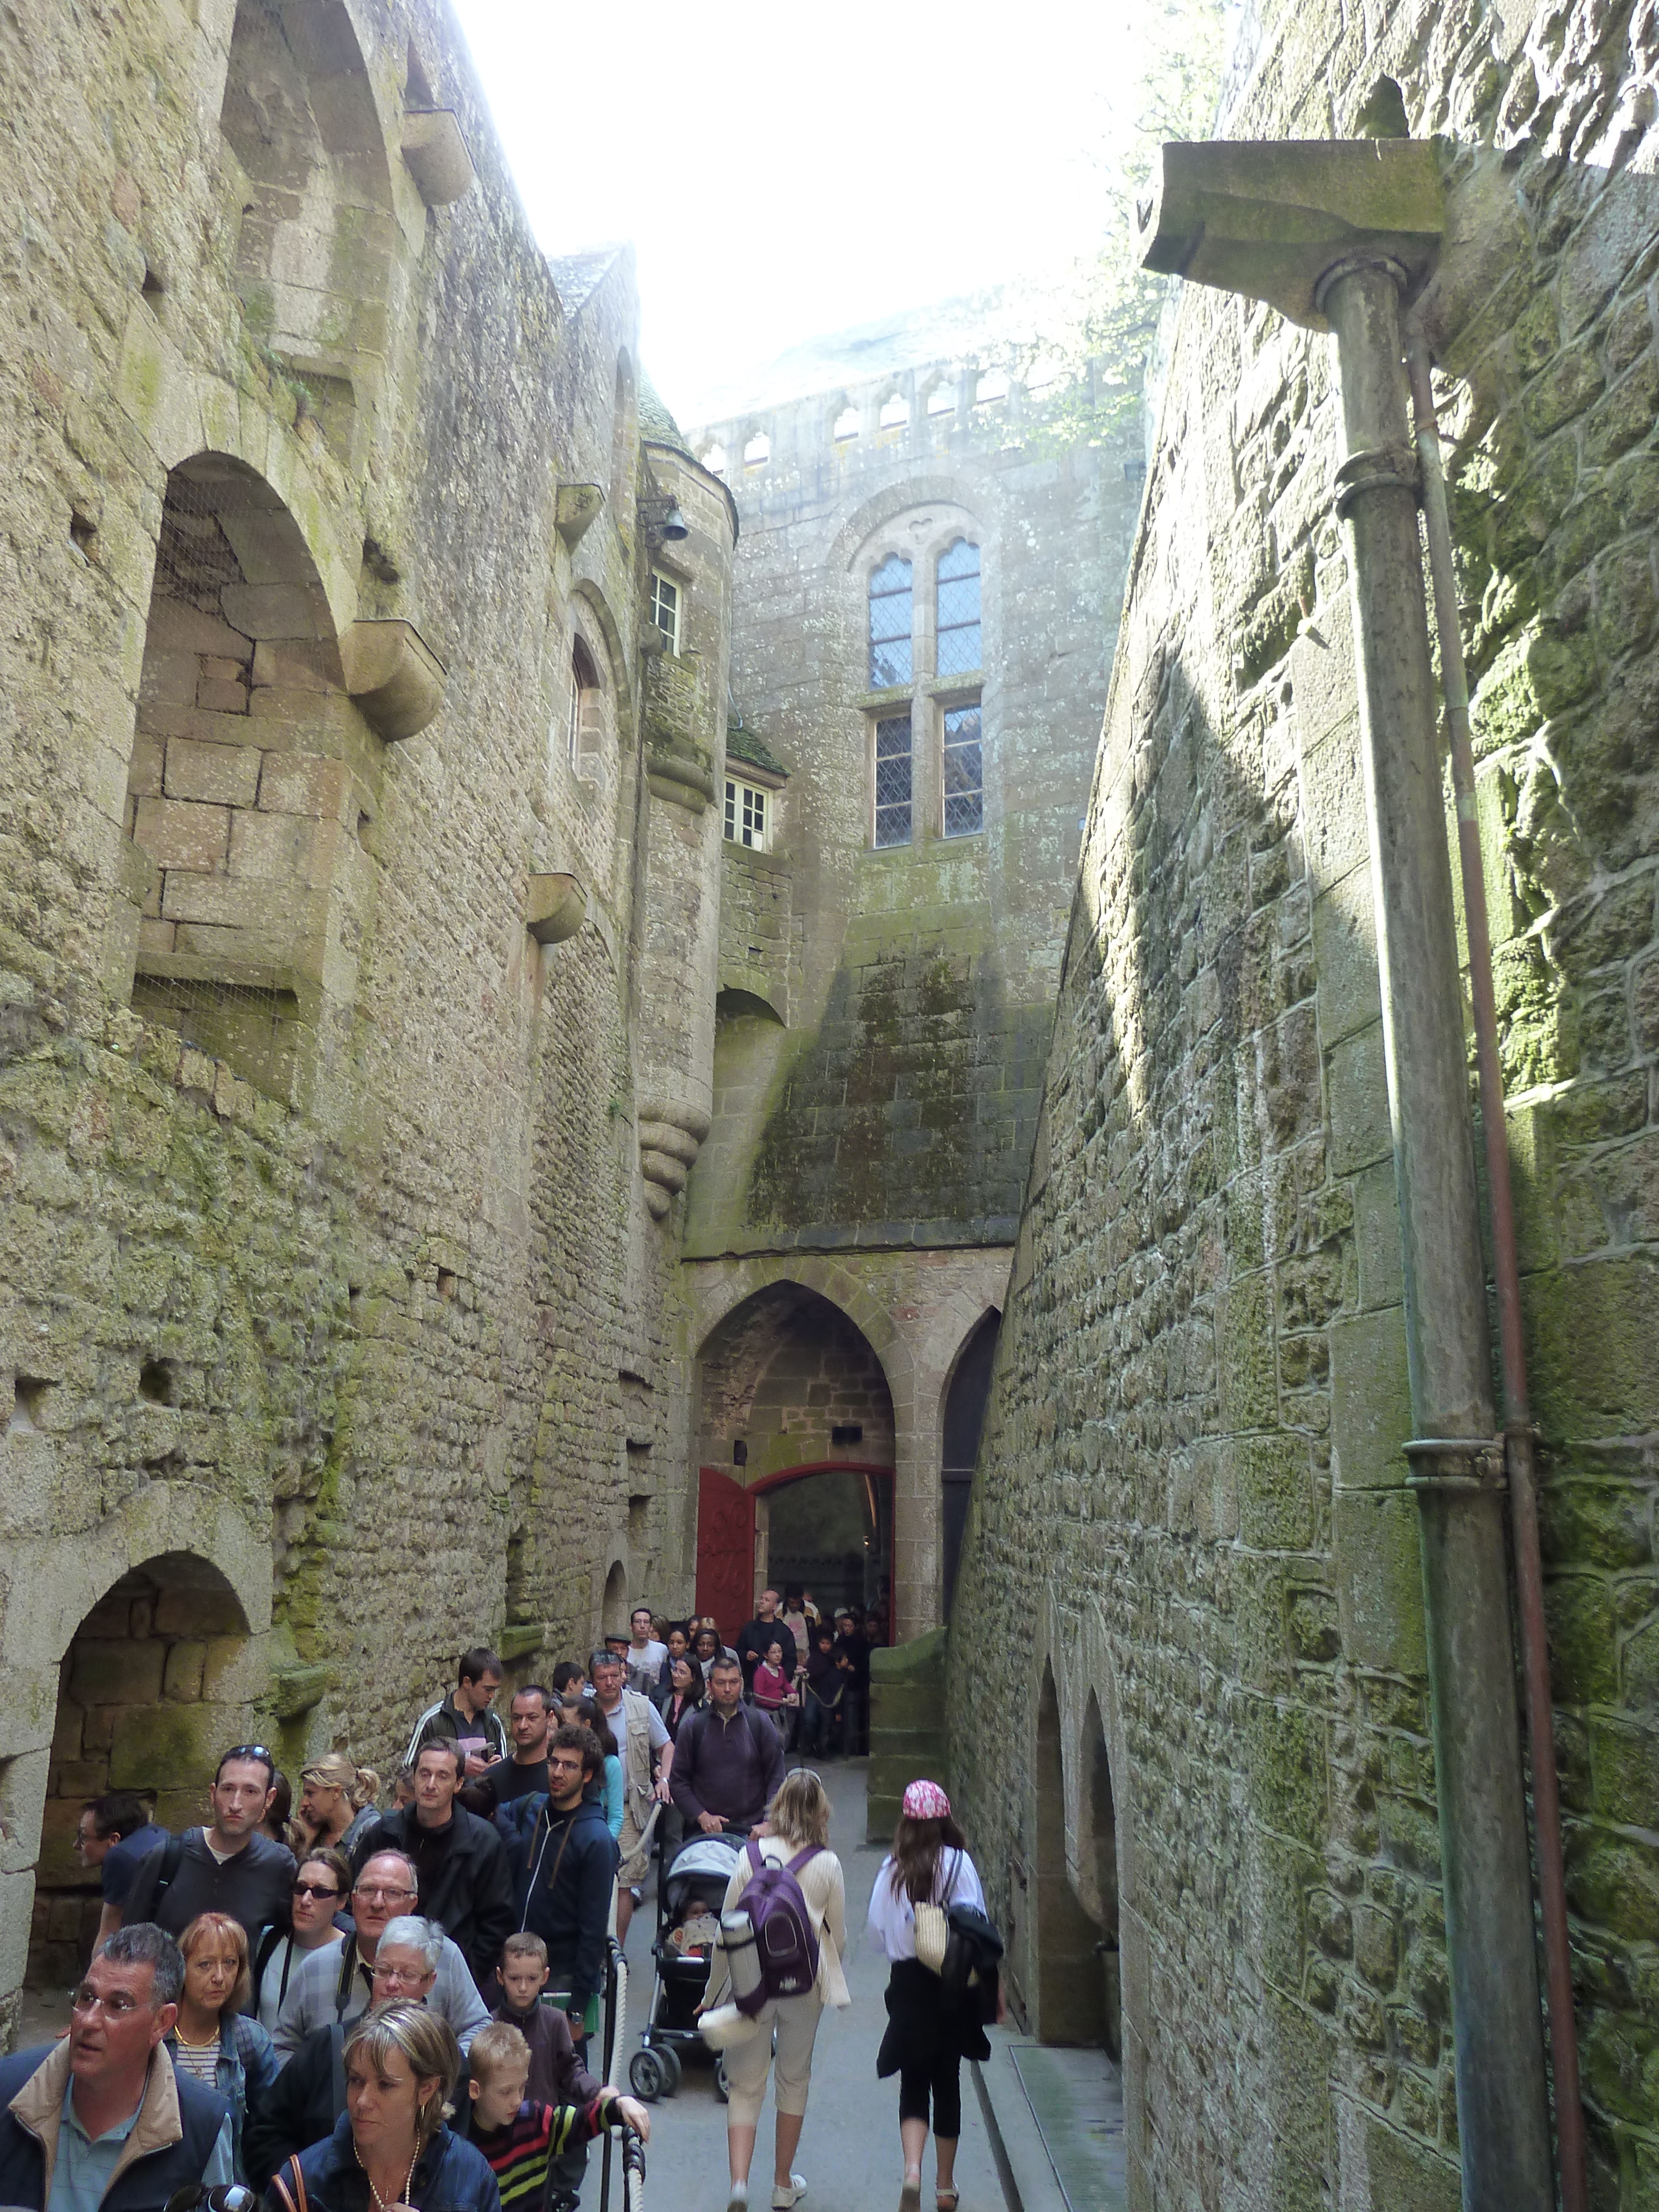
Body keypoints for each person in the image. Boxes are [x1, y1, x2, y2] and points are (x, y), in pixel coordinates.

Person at [0, 1922, 234, 2209]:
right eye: (87, 1998)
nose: (88, 2021)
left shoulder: (203, 2126)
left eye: (118, 2005)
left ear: (162, 2022)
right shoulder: (9, 2091)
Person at [701, 1771, 848, 2212]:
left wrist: (712, 1994)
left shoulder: (749, 1856)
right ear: (822, 1810)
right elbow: (837, 1938)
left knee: (745, 2085)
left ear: (778, 1805)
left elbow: (725, 1933)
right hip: (802, 1985)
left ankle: (740, 2185)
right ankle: (783, 2184)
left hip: (752, 1980)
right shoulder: (827, 1863)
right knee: (793, 2079)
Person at [248, 1917, 455, 2188]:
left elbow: (451, 2164)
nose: (392, 1984)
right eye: (384, 1970)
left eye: (407, 1975)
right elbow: (264, 2135)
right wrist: (305, 2187)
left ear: (430, 1981)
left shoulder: (448, 2061)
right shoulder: (327, 2046)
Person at [868, 1781, 993, 2212]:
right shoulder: (961, 1865)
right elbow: (978, 1924)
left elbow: (876, 1936)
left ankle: (912, 2172)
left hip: (907, 1985)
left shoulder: (892, 1870)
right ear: (944, 1820)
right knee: (948, 2081)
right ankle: (944, 2186)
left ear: (905, 1822)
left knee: (914, 2080)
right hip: (952, 1985)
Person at [260, 2002, 497, 2212]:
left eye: (385, 2085)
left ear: (427, 2089)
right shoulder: (300, 2183)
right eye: (356, 2080)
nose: (362, 2101)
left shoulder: (471, 2177)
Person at [272, 1851, 489, 2058]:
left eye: (392, 1893)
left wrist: (443, 2075)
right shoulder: (317, 1966)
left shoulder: (443, 1956)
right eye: (368, 1890)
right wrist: (313, 2090)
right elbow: (283, 2046)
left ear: (412, 1904)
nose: (377, 1903)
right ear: (354, 1900)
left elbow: (478, 2027)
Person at [351, 1743, 515, 1989]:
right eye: (425, 1774)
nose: (430, 1784)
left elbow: (497, 1925)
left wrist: (461, 1978)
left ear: (459, 1784)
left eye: (442, 1776)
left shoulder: (484, 1842)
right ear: (414, 1778)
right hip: (382, 1977)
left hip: (448, 1980)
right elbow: (349, 1897)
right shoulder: (384, 1832)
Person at [508, 1724, 619, 2057]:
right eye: (553, 1762)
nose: (557, 1772)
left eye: (569, 1766)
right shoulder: (533, 1810)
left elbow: (593, 1929)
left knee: (566, 2080)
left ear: (587, 1775)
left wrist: (579, 2007)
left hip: (563, 1976)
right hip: (519, 1968)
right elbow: (493, 1813)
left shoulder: (597, 1840)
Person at [460, 2021, 648, 2212]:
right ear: (475, 2090)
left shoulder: (534, 2120)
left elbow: (580, 2121)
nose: (517, 2100)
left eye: (522, 2087)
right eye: (506, 2092)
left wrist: (619, 2105)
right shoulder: (459, 2148)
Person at [122, 1745, 296, 1948]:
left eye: (250, 1791)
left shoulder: (279, 1866)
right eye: (228, 1789)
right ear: (213, 1793)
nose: (235, 1804)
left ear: (269, 1799)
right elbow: (128, 1945)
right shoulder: (167, 1857)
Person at [165, 1913, 277, 2183]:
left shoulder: (250, 2040)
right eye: (205, 1965)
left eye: (230, 1963)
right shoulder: (154, 2036)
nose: (220, 1977)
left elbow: (269, 2129)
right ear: (181, 1968)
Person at [587, 1650, 671, 1940]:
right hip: (588, 1807)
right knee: (592, 1880)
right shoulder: (584, 1712)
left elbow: (666, 1747)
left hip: (630, 1808)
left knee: (626, 1880)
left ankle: (616, 1949)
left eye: (615, 1675)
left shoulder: (642, 1707)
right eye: (602, 1678)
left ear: (623, 1673)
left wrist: (665, 1778)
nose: (610, 1682)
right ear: (593, 1680)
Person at [669, 1656, 784, 1838]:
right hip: (705, 1833)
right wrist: (702, 1816)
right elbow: (678, 1781)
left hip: (753, 1831)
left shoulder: (760, 1723)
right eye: (721, 1683)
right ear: (709, 1685)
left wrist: (769, 1821)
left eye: (734, 1682)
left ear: (742, 1684)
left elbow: (776, 1777)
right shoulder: (693, 1727)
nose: (728, 1689)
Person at [251, 1846, 354, 2033]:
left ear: (341, 1901)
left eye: (321, 1892)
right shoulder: (268, 1942)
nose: (306, 1900)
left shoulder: (351, 1955)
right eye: (300, 1888)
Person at [489, 1936, 599, 2110]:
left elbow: (571, 2071)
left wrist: (598, 2092)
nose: (523, 1987)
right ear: (500, 1976)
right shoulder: (490, 2025)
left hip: (547, 2126)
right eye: (514, 1978)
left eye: (532, 1979)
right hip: (503, 2128)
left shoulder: (555, 2021)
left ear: (545, 1976)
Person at [74, 1792, 168, 1955]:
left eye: (83, 1837)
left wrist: (93, 1979)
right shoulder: (156, 1834)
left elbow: (109, 1934)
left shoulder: (120, 1858)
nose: (76, 1845)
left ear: (114, 1839)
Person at [405, 1649, 509, 1780]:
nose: (492, 1696)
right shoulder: (433, 1721)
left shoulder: (493, 1722)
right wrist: (458, 1766)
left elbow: (506, 1773)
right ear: (467, 1683)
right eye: (488, 1689)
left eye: (494, 1690)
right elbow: (410, 1769)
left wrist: (498, 1768)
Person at [463, 1687, 554, 1822]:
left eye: (532, 1718)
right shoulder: (491, 1778)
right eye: (517, 1718)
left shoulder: (559, 1776)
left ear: (549, 1718)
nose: (523, 1726)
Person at [559, 1699, 623, 1839]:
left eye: (567, 1725)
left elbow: (616, 1817)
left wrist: (603, 1846)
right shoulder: (559, 1762)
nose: (562, 1729)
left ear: (586, 1725)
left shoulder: (611, 1764)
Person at [295, 1756, 382, 1858]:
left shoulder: (370, 1832)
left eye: (311, 1794)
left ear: (336, 1792)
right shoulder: (318, 1832)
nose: (304, 1803)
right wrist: (307, 1843)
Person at [797, 1629, 842, 1760]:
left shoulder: (834, 1658)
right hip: (814, 1693)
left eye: (827, 1644)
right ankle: (808, 1746)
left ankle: (822, 1748)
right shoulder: (815, 1658)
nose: (824, 1646)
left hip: (828, 1696)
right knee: (809, 1719)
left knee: (826, 1723)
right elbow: (811, 1673)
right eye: (822, 1643)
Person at [734, 1592, 797, 1687]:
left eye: (767, 1600)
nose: (762, 1602)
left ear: (775, 1606)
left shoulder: (784, 1631)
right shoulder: (750, 1628)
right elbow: (738, 1651)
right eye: (762, 1599)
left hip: (775, 1686)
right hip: (751, 1683)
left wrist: (783, 1685)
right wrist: (746, 1655)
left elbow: (791, 1661)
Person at [833, 1611, 870, 1757]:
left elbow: (864, 1663)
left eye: (849, 1626)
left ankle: (853, 1748)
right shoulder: (840, 1641)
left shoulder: (861, 1643)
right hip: (840, 1682)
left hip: (855, 1684)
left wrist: (854, 1668)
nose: (847, 1628)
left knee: (853, 1717)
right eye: (844, 1626)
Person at [750, 1641, 797, 1746]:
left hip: (778, 1710)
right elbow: (759, 1697)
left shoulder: (780, 1670)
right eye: (774, 1652)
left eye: (780, 1652)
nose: (778, 1655)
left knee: (784, 1736)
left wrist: (792, 1693)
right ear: (766, 1655)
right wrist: (780, 1700)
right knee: (774, 1739)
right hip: (764, 1712)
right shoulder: (761, 1673)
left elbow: (785, 1684)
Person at [623, 1607, 667, 1695]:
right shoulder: (625, 1652)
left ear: (650, 1627)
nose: (642, 1626)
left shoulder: (662, 1649)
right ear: (631, 1626)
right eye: (638, 1622)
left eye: (646, 1622)